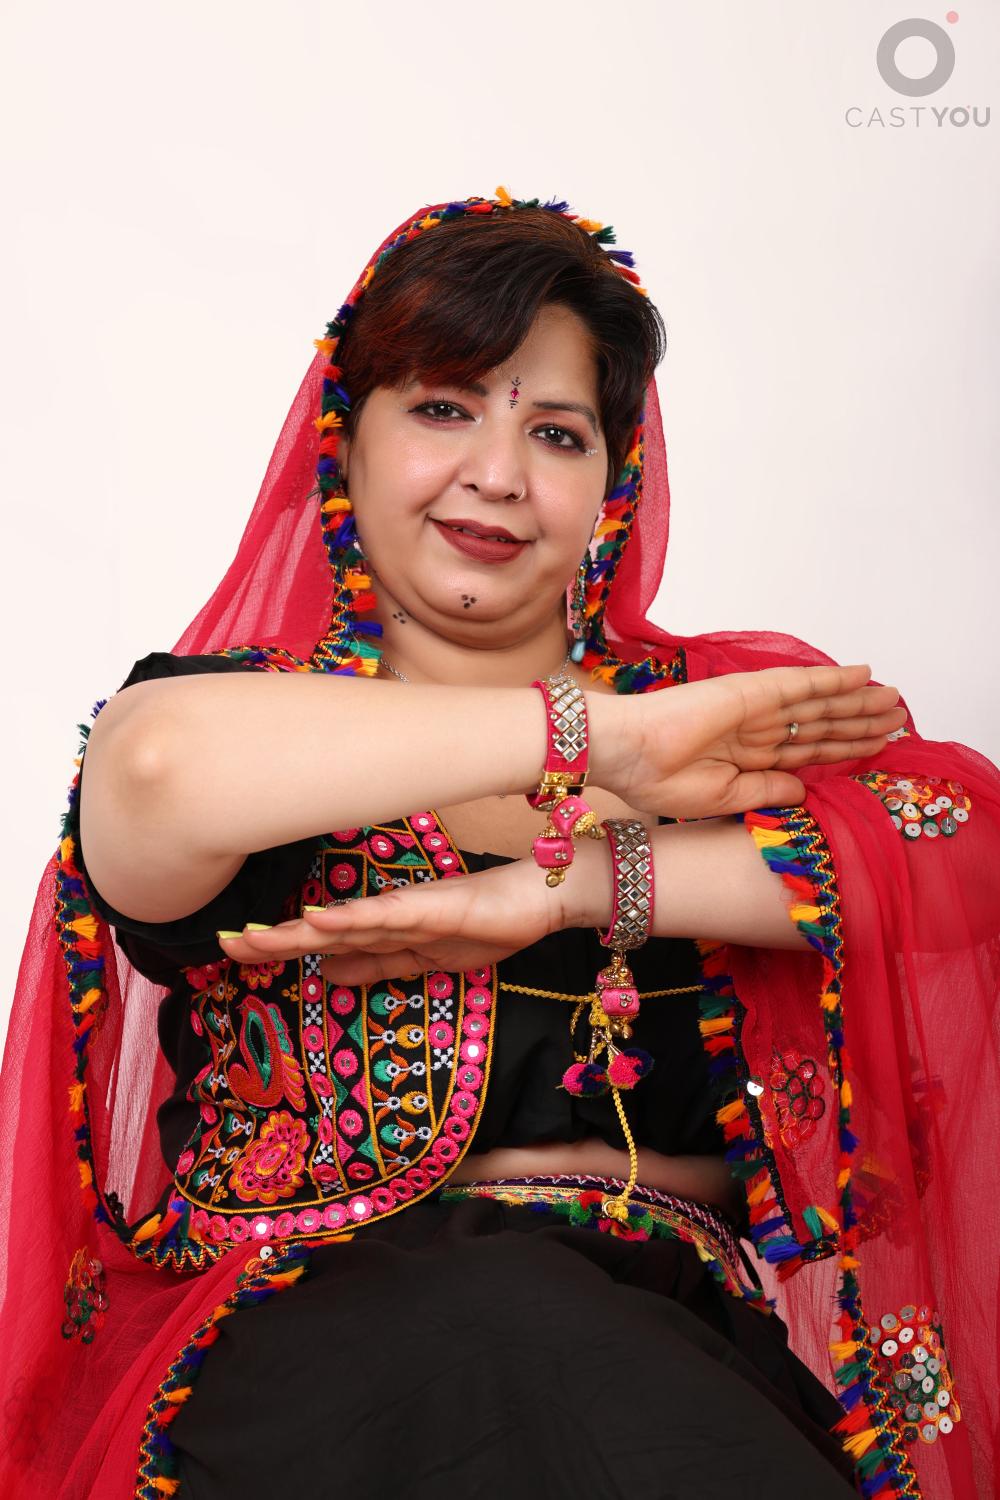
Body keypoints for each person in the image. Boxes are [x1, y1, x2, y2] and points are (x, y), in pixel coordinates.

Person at [0, 188, 997, 1500]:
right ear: (345, 439)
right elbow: (151, 771)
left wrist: (574, 887)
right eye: (443, 408)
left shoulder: (717, 721)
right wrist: (595, 738)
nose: (499, 475)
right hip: (335, 1368)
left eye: (557, 432)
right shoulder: (253, 723)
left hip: (668, 1354)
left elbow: (958, 849)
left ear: (611, 481)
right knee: (523, 1339)